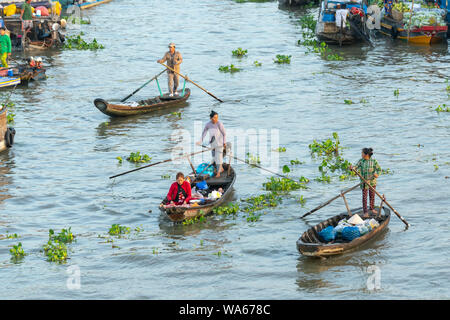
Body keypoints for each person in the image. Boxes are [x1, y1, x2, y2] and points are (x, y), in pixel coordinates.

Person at [349, 148, 382, 217]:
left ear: (366, 154)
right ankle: (365, 212)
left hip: (372, 182)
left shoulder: (373, 161)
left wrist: (377, 174)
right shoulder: (361, 161)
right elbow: (356, 167)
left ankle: (372, 208)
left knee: (372, 195)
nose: (361, 154)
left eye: (362, 153)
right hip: (364, 182)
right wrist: (352, 168)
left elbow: (379, 170)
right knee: (364, 197)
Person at [197, 111, 227, 178]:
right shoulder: (208, 124)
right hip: (212, 143)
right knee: (214, 157)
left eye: (217, 117)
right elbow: (204, 132)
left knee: (218, 157)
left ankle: (218, 172)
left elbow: (224, 134)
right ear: (211, 118)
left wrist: (224, 142)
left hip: (220, 143)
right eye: (214, 117)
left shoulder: (219, 124)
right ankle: (221, 168)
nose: (216, 119)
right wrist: (200, 141)